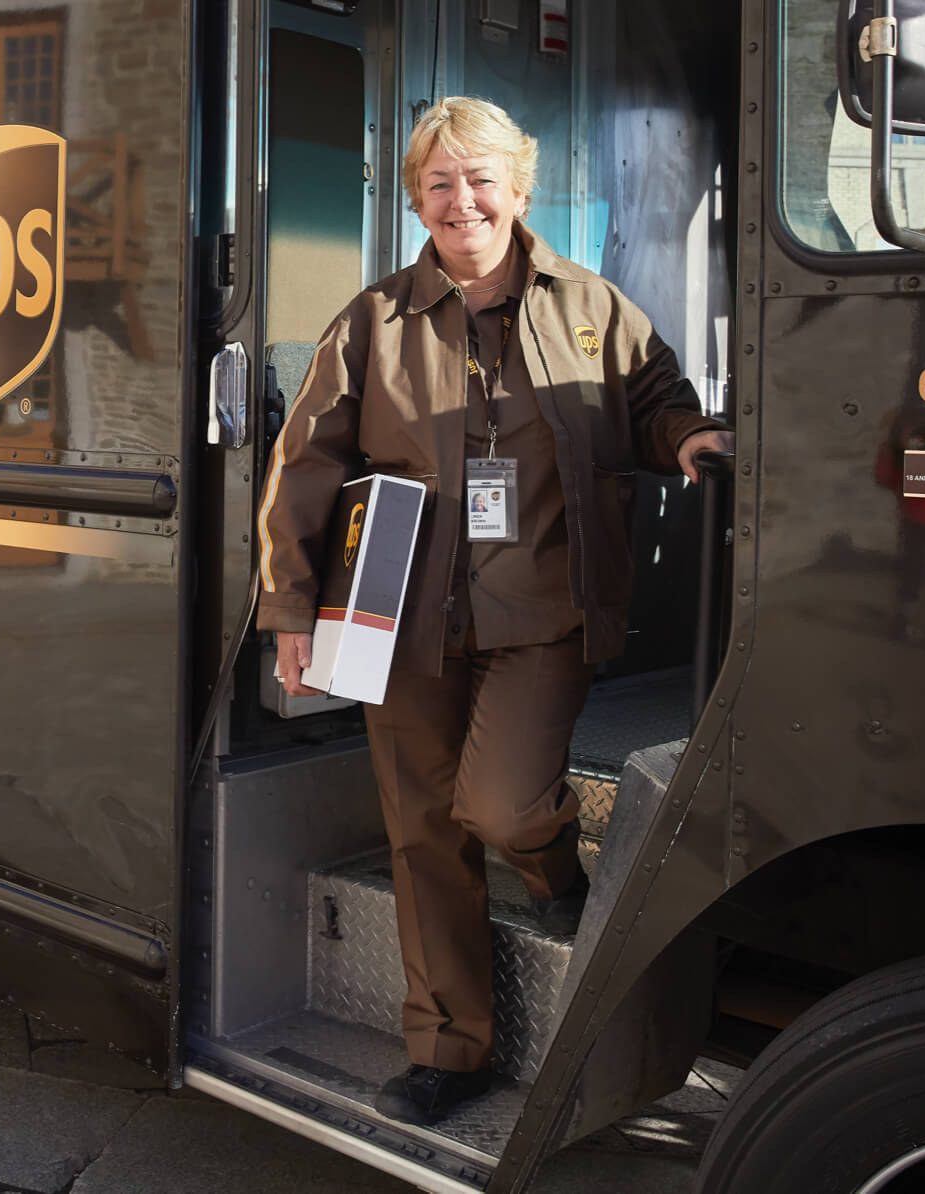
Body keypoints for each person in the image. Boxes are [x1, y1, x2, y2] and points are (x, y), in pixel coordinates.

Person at [256, 97, 732, 1126]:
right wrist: (293, 608)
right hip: (403, 617)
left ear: (519, 189)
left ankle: (553, 867)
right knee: (423, 830)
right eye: (438, 181)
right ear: (417, 198)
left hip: (544, 611)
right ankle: (448, 1049)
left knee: (504, 805)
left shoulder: (594, 308)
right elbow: (304, 467)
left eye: (479, 178)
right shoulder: (373, 320)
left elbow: (653, 399)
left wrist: (686, 438)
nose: (460, 199)